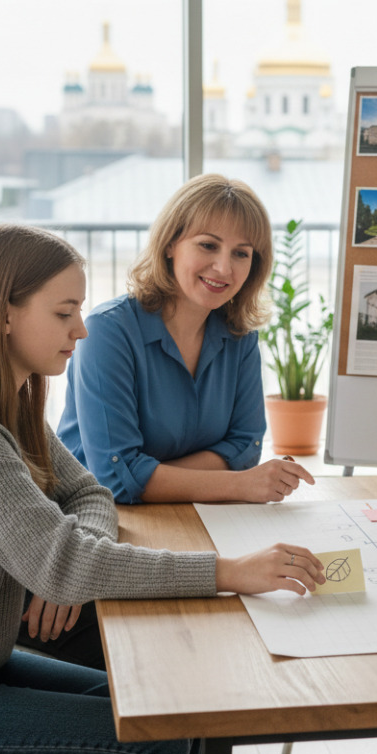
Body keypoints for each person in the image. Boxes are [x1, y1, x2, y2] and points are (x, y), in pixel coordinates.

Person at [0, 223, 326, 754]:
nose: (82, 330)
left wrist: (60, 563)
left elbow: (89, 495)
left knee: (178, 707)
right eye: (64, 313)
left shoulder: (7, 406)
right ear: (4, 315)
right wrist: (228, 571)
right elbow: (64, 563)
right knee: (161, 741)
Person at [58, 174, 315, 507]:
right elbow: (115, 481)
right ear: (169, 244)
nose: (224, 267)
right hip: (97, 520)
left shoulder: (241, 336)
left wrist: (150, 477)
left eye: (241, 253)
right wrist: (237, 485)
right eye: (208, 245)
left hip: (193, 512)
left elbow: (245, 447)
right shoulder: (107, 332)